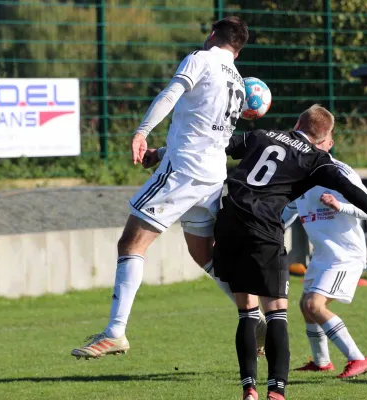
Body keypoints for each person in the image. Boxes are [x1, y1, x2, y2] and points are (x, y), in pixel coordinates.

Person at [146, 105, 367, 400]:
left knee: (247, 312)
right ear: (325, 136)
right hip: (263, 229)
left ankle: (249, 390)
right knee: (276, 314)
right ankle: (276, 392)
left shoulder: (261, 135)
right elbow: (353, 191)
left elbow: (211, 146)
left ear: (298, 123)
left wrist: (159, 153)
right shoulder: (316, 159)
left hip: (229, 220)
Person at [69, 16, 270, 359]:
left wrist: (142, 132)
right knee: (203, 254)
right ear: (239, 48)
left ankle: (115, 332)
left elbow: (170, 94)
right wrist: (161, 152)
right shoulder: (238, 82)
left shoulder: (201, 58)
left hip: (184, 173)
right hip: (211, 175)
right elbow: (210, 132)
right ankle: (252, 314)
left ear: (211, 36)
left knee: (131, 241)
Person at [280, 162, 367, 379]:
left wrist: (339, 206)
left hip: (345, 256)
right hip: (323, 256)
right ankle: (321, 362)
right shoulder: (298, 175)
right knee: (306, 306)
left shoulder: (339, 172)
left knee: (314, 305)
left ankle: (358, 358)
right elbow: (287, 213)